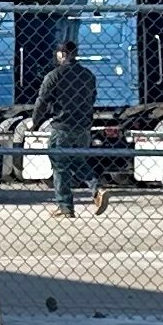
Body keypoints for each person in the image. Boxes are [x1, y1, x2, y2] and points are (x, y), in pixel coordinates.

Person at [30, 32, 106, 216]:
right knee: (78, 160)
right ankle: (97, 189)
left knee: (60, 165)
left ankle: (65, 207)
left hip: (62, 126)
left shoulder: (54, 75)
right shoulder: (88, 75)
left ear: (61, 54)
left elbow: (42, 101)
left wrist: (34, 123)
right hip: (83, 126)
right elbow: (92, 98)